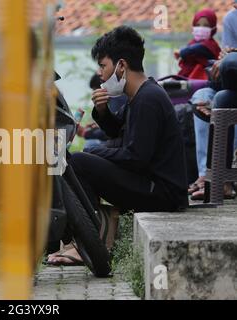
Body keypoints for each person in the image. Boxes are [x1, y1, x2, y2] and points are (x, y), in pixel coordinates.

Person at [47, 26, 188, 266]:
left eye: (103, 66)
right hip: (151, 185)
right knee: (80, 160)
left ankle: (91, 239)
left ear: (121, 66)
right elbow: (115, 131)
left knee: (80, 160)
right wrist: (102, 111)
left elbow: (136, 157)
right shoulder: (139, 95)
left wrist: (92, 152)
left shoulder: (148, 99)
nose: (100, 73)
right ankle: (88, 235)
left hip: (163, 193)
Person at [189, 2, 237, 200]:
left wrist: (230, 57)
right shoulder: (232, 19)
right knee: (218, 97)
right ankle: (216, 179)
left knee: (230, 62)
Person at [174, 8, 221, 79]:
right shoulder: (192, 43)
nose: (201, 28)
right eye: (198, 25)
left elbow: (200, 48)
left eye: (206, 25)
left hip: (204, 81)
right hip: (186, 79)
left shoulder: (212, 45)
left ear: (213, 28)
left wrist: (182, 52)